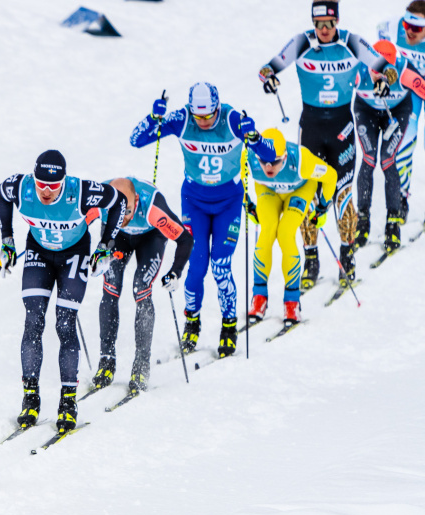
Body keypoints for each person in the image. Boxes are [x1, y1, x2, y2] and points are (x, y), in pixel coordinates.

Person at [130, 83, 276, 358]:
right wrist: (154, 117)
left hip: (229, 202)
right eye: (200, 117)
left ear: (217, 108)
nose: (205, 122)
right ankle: (192, 322)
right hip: (195, 201)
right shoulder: (182, 119)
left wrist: (254, 137)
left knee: (220, 265)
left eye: (209, 115)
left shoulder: (232, 119)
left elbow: (269, 155)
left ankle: (229, 326)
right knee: (196, 266)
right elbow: (137, 140)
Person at [258, 1, 395, 289]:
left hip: (342, 129)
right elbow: (269, 68)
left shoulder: (351, 42)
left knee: (342, 193)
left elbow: (384, 67)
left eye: (328, 24)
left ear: (337, 22)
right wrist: (268, 78)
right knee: (307, 194)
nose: (323, 30)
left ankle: (347, 256)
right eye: (318, 24)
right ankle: (311, 259)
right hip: (310, 129)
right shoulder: (301, 42)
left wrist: (383, 80)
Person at [0, 150, 127, 434]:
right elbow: (2, 194)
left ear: (63, 182)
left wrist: (106, 244)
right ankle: (30, 397)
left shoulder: (80, 191)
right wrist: (7, 239)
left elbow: (118, 201)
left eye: (53, 187)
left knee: (65, 323)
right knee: (33, 321)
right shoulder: (21, 187)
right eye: (41, 184)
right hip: (39, 252)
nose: (45, 191)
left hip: (74, 254)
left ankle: (68, 401)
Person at [93, 177, 194, 393]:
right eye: (116, 212)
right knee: (110, 284)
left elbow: (185, 239)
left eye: (127, 211)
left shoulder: (153, 207)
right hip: (116, 237)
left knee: (141, 286)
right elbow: (75, 225)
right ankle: (106, 360)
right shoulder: (99, 198)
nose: (123, 218)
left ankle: (141, 364)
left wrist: (175, 271)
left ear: (136, 199)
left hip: (150, 236)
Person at [247, 129, 337, 327]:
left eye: (276, 162)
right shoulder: (250, 154)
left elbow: (330, 176)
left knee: (285, 233)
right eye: (264, 162)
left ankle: (292, 302)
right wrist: (247, 203)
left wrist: (321, 207)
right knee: (268, 231)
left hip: (299, 189)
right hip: (268, 190)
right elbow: (237, 179)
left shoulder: (303, 161)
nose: (269, 167)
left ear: (285, 156)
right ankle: (259, 298)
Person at [354, 39, 420, 253]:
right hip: (366, 111)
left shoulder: (403, 71)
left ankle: (393, 219)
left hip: (397, 112)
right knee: (369, 157)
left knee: (387, 159)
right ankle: (362, 219)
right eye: (376, 69)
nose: (380, 75)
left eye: (386, 70)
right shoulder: (359, 71)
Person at [378, 2, 425, 224]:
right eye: (407, 24)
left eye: (416, 29)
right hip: (408, 92)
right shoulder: (390, 28)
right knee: (404, 143)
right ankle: (402, 198)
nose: (409, 31)